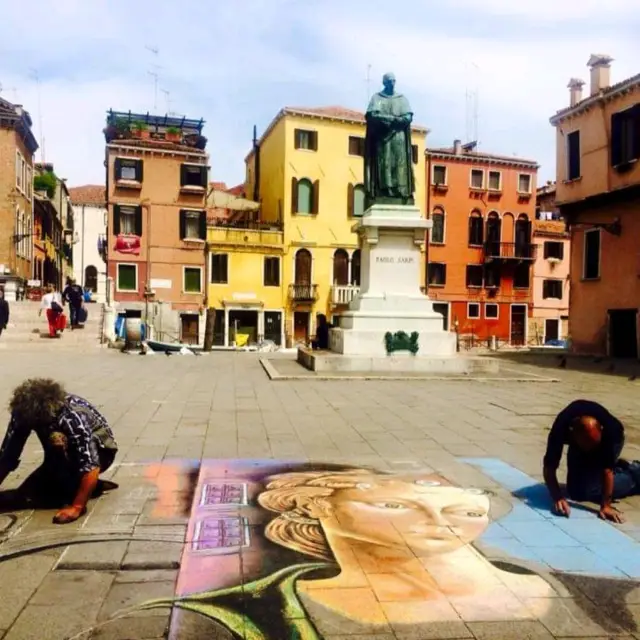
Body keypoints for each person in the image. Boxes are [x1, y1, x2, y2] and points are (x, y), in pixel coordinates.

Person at [0, 378, 118, 524]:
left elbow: (90, 467)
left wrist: (76, 507)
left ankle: (80, 485)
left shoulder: (71, 417)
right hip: (57, 452)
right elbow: (7, 457)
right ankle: (73, 482)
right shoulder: (22, 412)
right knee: (26, 495)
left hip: (101, 453)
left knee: (52, 495)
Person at [543, 399, 640, 523]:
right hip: (581, 440)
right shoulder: (560, 428)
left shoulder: (608, 433)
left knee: (590, 491)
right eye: (586, 445)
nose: (589, 450)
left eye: (593, 445)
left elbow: (606, 471)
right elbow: (549, 468)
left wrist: (606, 505)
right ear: (573, 435)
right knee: (576, 492)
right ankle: (620, 467)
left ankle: (634, 474)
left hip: (614, 437)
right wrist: (557, 498)